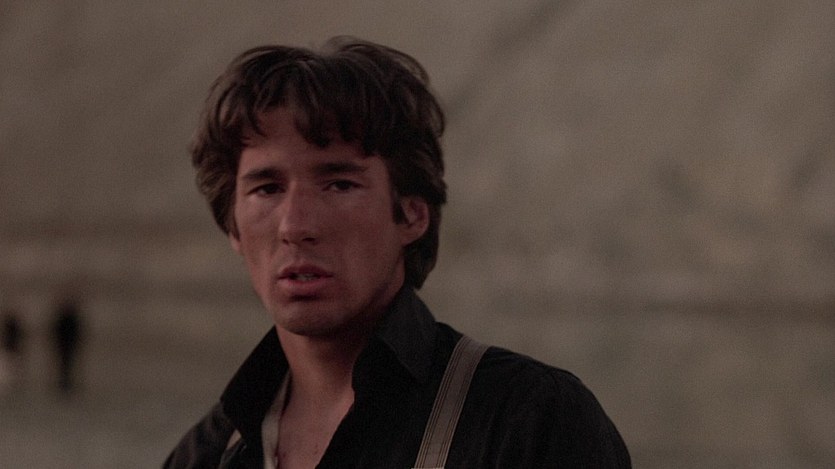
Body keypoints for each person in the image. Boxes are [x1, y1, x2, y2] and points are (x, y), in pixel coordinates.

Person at [165, 37, 630, 468]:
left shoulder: (528, 421)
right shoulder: (204, 455)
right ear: (233, 227)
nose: (295, 226)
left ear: (411, 215)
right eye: (267, 188)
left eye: (339, 184)